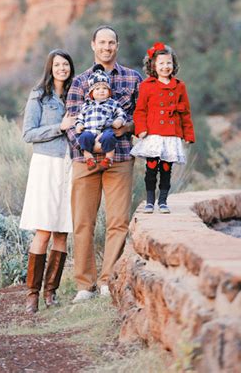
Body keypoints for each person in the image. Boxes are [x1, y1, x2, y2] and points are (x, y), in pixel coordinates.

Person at [66, 25, 142, 301]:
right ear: (93, 45)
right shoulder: (79, 82)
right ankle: (85, 286)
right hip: (84, 160)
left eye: (111, 42)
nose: (106, 47)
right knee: (82, 222)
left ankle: (108, 280)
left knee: (118, 221)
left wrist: (122, 130)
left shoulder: (133, 79)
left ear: (117, 46)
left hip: (119, 157)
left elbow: (140, 117)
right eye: (102, 42)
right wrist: (90, 144)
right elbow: (72, 122)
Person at [20, 49, 76, 313]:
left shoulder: (76, 95)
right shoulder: (39, 96)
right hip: (46, 165)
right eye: (57, 64)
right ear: (50, 68)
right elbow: (28, 133)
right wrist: (59, 128)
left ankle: (51, 292)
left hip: (70, 166)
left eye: (65, 64)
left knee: (62, 231)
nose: (62, 68)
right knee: (43, 230)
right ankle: (32, 294)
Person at [131, 41, 195, 214]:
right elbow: (140, 111)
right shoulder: (146, 86)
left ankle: (163, 200)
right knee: (151, 166)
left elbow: (185, 113)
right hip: (153, 134)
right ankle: (150, 200)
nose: (165, 67)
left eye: (169, 63)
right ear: (153, 65)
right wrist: (141, 129)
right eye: (161, 63)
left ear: (173, 64)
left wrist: (188, 135)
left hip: (171, 134)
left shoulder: (180, 86)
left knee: (166, 168)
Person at [75, 65, 128, 171]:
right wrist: (79, 125)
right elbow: (80, 117)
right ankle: (88, 157)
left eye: (105, 88)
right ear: (91, 93)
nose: (101, 91)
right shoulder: (87, 105)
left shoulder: (112, 103)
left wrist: (119, 121)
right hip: (89, 130)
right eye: (97, 88)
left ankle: (109, 158)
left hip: (105, 129)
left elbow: (121, 113)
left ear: (109, 91)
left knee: (109, 137)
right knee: (83, 138)